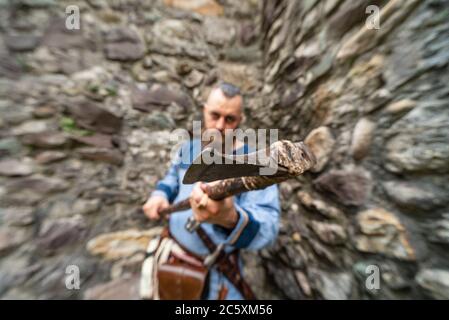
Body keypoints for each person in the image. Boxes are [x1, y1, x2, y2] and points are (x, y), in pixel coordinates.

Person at [142, 82, 280, 299]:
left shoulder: (256, 164)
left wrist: (230, 219)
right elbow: (172, 177)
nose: (219, 125)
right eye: (214, 115)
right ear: (204, 110)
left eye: (230, 119)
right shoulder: (188, 148)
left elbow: (269, 228)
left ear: (240, 120)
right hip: (172, 257)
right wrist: (160, 194)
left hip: (218, 277)